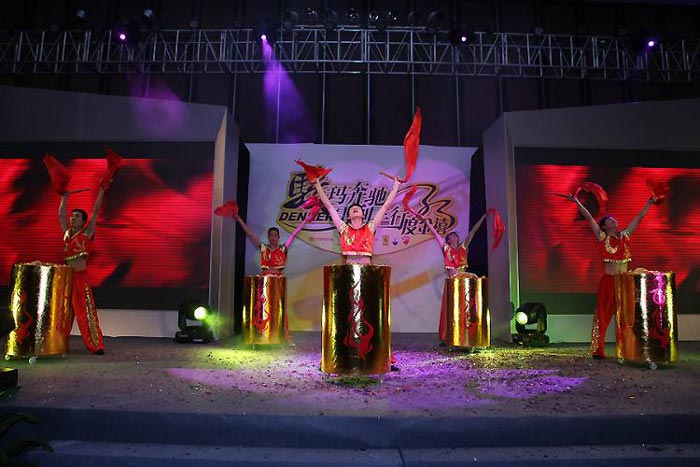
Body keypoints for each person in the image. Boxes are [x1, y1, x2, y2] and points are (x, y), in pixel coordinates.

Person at [567, 193, 655, 359]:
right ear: (605, 227)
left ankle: (629, 349)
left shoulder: (625, 236)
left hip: (624, 282)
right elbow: (589, 217)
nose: (614, 221)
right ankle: (598, 350)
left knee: (628, 317)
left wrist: (649, 202)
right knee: (603, 315)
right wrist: (576, 201)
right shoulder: (602, 237)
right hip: (608, 281)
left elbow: (639, 218)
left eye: (614, 219)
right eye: (610, 220)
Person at [421, 212, 489, 343]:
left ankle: (467, 335)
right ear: (448, 239)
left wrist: (482, 217)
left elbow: (473, 232)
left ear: (458, 239)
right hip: (453, 283)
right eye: (451, 235)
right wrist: (427, 222)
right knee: (451, 310)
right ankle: (448, 336)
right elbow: (435, 234)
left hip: (465, 284)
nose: (454, 236)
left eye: (456, 235)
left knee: (466, 309)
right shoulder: (446, 248)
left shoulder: (463, 248)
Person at [59, 185, 107, 355]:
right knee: (63, 314)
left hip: (80, 278)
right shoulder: (67, 233)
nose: (73, 218)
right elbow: (61, 215)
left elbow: (95, 211)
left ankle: (96, 345)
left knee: (85, 312)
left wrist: (101, 191)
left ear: (83, 221)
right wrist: (64, 198)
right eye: (72, 216)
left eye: (77, 216)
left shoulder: (87, 234)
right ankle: (58, 345)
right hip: (66, 279)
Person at [311, 176, 401, 264]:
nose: (355, 208)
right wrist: (318, 186)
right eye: (352, 209)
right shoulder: (343, 228)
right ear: (348, 217)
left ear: (363, 215)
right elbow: (329, 207)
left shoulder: (370, 227)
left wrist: (396, 185)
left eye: (358, 208)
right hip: (349, 266)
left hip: (366, 267)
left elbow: (385, 206)